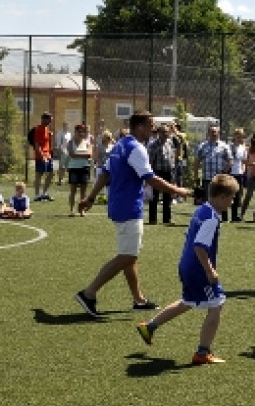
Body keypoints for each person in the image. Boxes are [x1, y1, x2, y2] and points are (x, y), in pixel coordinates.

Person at [75, 110, 191, 319]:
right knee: (128, 255)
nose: (153, 129)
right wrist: (178, 190)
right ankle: (88, 292)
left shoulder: (121, 144)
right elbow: (151, 179)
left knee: (129, 255)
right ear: (139, 126)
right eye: (150, 125)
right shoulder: (136, 148)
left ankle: (139, 299)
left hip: (119, 205)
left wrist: (91, 198)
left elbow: (105, 173)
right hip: (129, 207)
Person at [135, 174, 239, 365]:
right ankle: (202, 352)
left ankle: (149, 327)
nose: (232, 203)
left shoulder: (201, 210)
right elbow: (200, 245)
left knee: (188, 301)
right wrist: (209, 270)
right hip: (198, 269)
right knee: (217, 304)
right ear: (222, 197)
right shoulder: (211, 219)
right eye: (232, 198)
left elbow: (189, 235)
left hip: (186, 264)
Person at [194, 125, 232, 219]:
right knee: (209, 199)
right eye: (211, 132)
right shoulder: (203, 146)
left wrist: (224, 172)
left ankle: (223, 217)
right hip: (207, 177)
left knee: (222, 197)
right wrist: (196, 176)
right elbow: (197, 161)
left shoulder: (224, 146)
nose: (213, 134)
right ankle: (209, 217)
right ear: (208, 133)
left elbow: (230, 160)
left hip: (220, 179)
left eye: (215, 132)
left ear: (219, 133)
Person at [146, 124, 175, 225]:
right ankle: (152, 219)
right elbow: (150, 160)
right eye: (163, 132)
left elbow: (172, 157)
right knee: (155, 196)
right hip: (157, 172)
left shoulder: (170, 142)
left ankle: (167, 219)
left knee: (167, 197)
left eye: (167, 132)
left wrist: (173, 170)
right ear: (159, 133)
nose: (166, 134)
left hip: (168, 172)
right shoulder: (154, 145)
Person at [66, 124, 94, 217]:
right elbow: (71, 154)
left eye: (83, 131)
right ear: (75, 132)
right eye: (79, 131)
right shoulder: (71, 142)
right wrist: (83, 154)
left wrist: (77, 154)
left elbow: (90, 154)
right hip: (73, 168)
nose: (81, 133)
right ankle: (71, 209)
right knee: (73, 190)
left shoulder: (87, 143)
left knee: (83, 191)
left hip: (84, 168)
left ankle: (82, 210)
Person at [31, 112, 55, 201]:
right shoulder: (38, 129)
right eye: (49, 120)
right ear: (44, 119)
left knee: (51, 173)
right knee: (39, 174)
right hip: (41, 155)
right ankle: (37, 195)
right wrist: (42, 156)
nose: (50, 122)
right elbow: (37, 145)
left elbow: (46, 142)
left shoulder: (47, 129)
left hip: (48, 155)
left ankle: (44, 193)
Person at [228, 128, 248, 221]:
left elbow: (244, 161)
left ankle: (235, 216)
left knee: (237, 195)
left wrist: (243, 169)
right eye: (238, 136)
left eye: (241, 136)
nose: (239, 138)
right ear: (234, 136)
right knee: (229, 193)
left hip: (239, 173)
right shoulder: (230, 147)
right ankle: (225, 216)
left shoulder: (243, 148)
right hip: (231, 173)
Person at [55, 121, 71, 187]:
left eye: (67, 125)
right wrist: (61, 150)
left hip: (68, 152)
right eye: (65, 125)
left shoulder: (69, 133)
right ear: (63, 126)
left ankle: (65, 179)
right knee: (61, 166)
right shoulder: (60, 133)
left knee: (67, 167)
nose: (66, 126)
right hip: (62, 151)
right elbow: (58, 143)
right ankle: (60, 180)